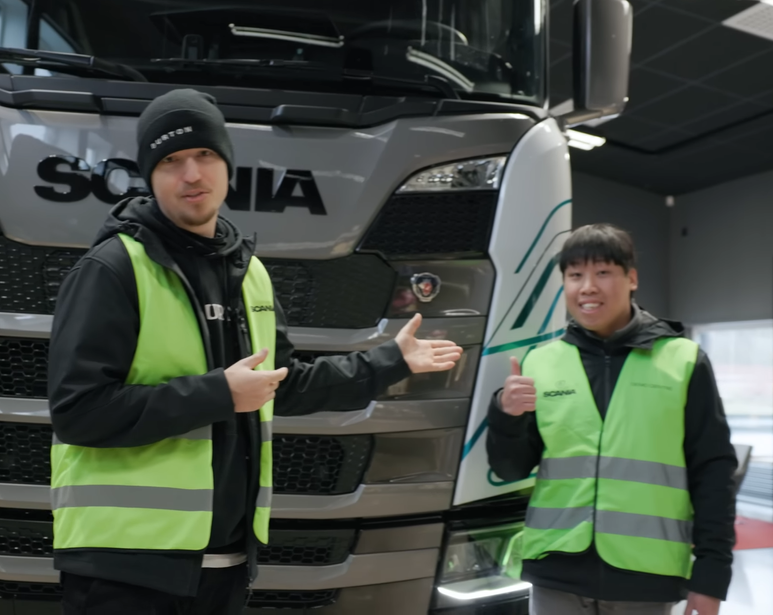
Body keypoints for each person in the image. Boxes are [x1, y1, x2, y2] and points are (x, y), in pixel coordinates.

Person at [47, 88, 464, 615]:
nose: (192, 174)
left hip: (224, 565)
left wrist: (391, 360)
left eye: (205, 156)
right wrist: (217, 394)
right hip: (124, 568)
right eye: (171, 161)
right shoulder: (112, 270)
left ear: (227, 164)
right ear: (149, 176)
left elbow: (282, 386)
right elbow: (77, 412)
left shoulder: (249, 273)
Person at [486, 224, 737, 615]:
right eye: (574, 276)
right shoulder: (539, 362)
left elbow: (714, 473)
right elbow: (509, 467)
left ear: (631, 278)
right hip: (555, 570)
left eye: (602, 273)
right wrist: (506, 414)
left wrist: (711, 575)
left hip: (645, 577)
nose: (587, 287)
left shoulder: (683, 361)